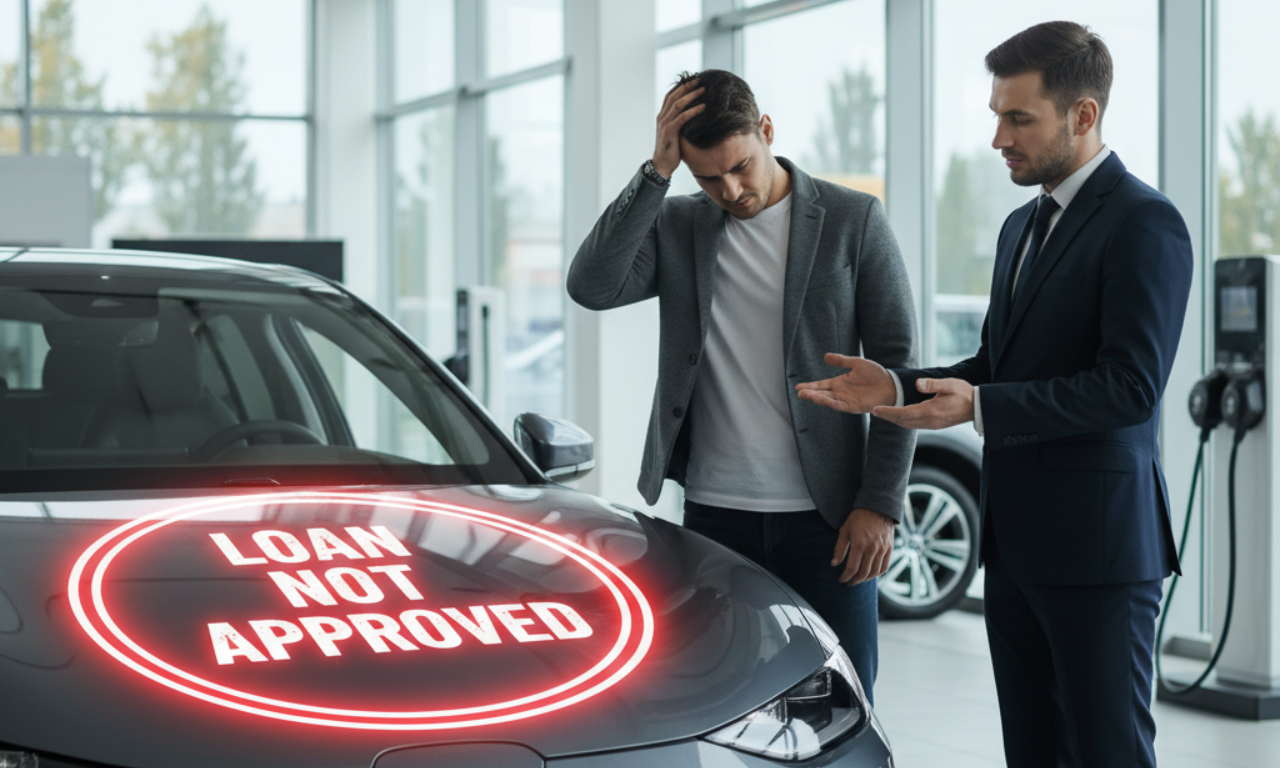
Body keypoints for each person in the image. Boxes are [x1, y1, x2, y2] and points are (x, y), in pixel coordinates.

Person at [796, 22, 1192, 767]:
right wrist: (896, 384)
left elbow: (1130, 388)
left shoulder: (1145, 222)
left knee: (1109, 752)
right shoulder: (1021, 226)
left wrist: (981, 408)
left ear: (1082, 115)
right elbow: (997, 361)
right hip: (1014, 549)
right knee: (1034, 752)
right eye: (996, 116)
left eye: (1019, 118)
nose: (998, 139)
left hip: (1100, 555)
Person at [566, 69, 917, 696]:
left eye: (740, 166)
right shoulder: (679, 224)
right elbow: (592, 286)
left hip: (830, 520)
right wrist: (656, 173)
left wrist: (880, 503)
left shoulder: (851, 217)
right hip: (714, 516)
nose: (730, 189)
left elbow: (901, 366)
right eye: (708, 177)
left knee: (844, 696)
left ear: (767, 131)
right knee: (720, 699)